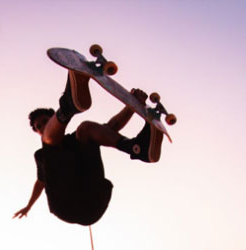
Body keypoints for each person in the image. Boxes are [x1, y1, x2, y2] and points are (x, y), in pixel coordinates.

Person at [14, 71, 164, 226]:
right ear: (37, 132)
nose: (42, 126)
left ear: (51, 118)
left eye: (45, 121)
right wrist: (29, 206)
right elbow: (40, 182)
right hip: (67, 206)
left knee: (86, 129)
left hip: (94, 198)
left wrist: (132, 105)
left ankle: (137, 148)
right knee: (49, 145)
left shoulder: (77, 139)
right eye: (39, 127)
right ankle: (67, 107)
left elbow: (111, 127)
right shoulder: (42, 155)